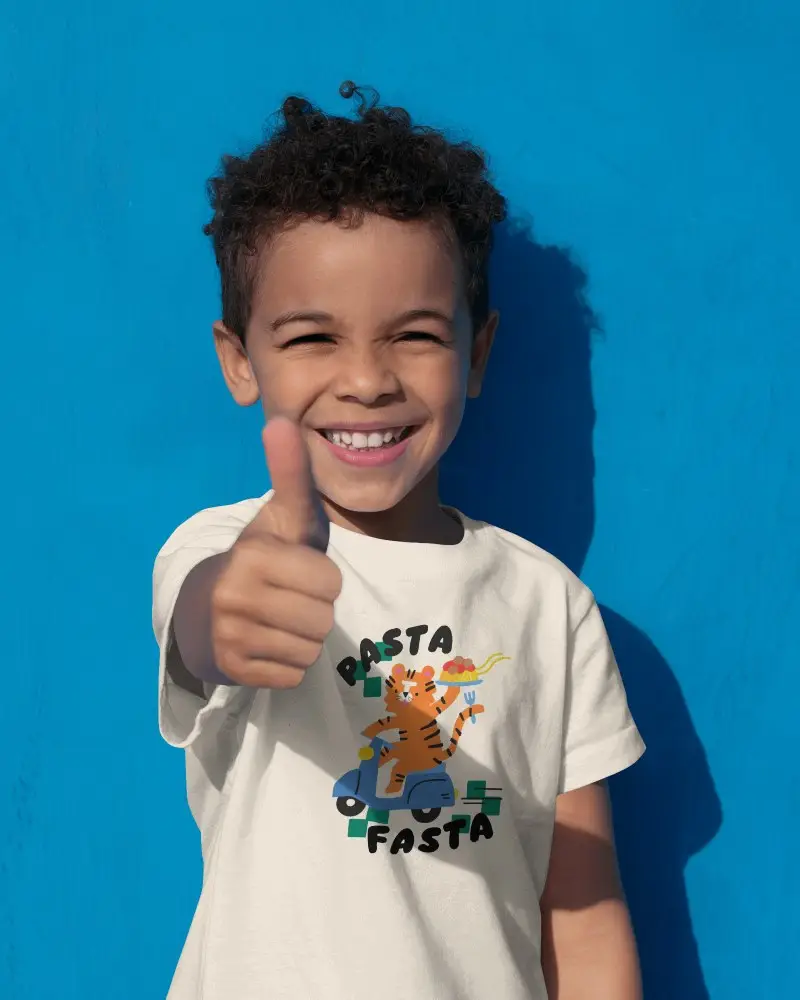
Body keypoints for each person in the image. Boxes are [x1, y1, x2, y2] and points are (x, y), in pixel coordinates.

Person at [152, 81, 645, 1000]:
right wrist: (223, 615)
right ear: (238, 360)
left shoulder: (549, 605)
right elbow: (201, 625)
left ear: (478, 352)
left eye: (415, 335)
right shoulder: (223, 548)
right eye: (311, 338)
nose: (368, 381)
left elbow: (581, 910)